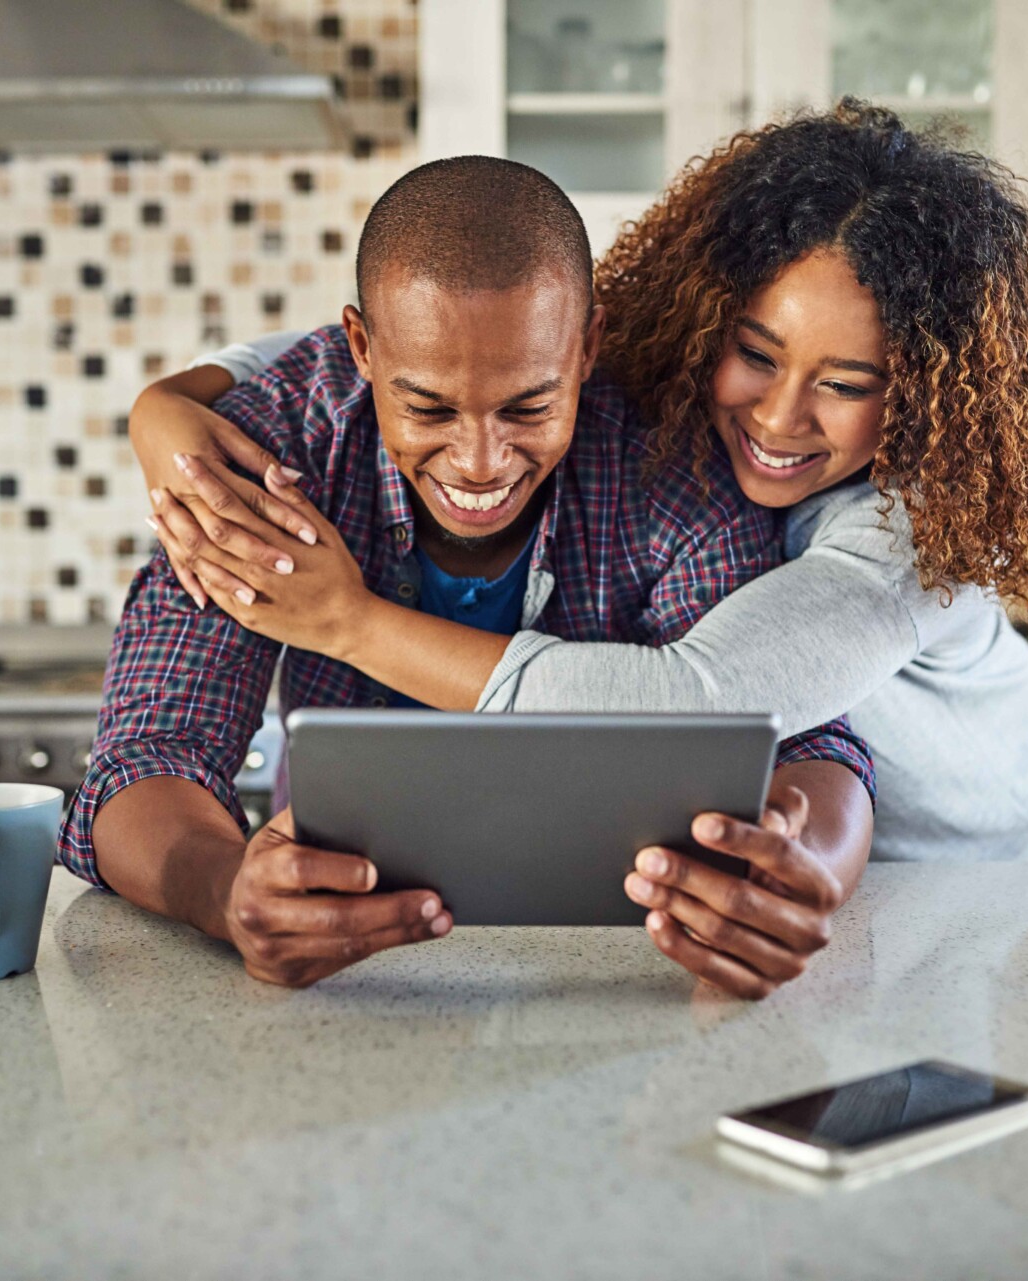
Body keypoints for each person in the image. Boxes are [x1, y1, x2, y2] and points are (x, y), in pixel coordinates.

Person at [133, 102, 1028, 865]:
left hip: (982, 868)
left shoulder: (908, 538)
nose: (778, 415)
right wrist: (176, 402)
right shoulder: (647, 417)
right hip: (807, 865)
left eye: (846, 384)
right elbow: (432, 355)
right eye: (756, 353)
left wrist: (345, 622)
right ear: (707, 318)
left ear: (927, 387)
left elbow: (694, 701)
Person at [64, 155, 878, 999]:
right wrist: (227, 893)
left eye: (528, 406)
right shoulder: (270, 450)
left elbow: (807, 739)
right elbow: (150, 751)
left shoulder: (670, 458)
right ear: (362, 349)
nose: (480, 462)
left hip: (614, 974)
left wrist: (797, 864)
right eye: (430, 409)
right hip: (350, 976)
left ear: (589, 345)